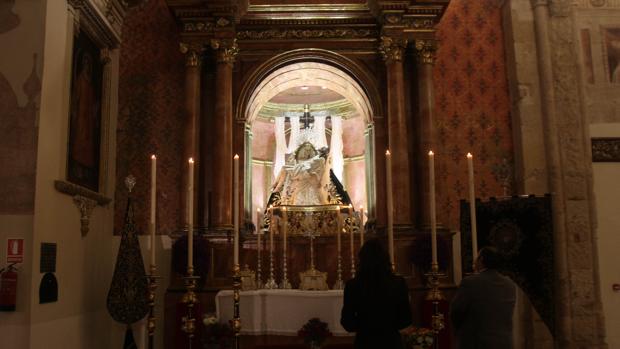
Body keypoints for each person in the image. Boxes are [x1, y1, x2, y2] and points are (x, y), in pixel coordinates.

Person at [341, 239, 411, 349]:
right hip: (391, 342)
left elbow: (347, 323)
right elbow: (406, 320)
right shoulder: (398, 283)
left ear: (362, 260)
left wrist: (364, 325)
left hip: (364, 342)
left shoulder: (352, 285)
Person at [450, 246, 516, 349]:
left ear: (481, 259)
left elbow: (456, 312)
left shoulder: (470, 282)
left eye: (476, 258)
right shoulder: (510, 284)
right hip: (504, 342)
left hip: (477, 342)